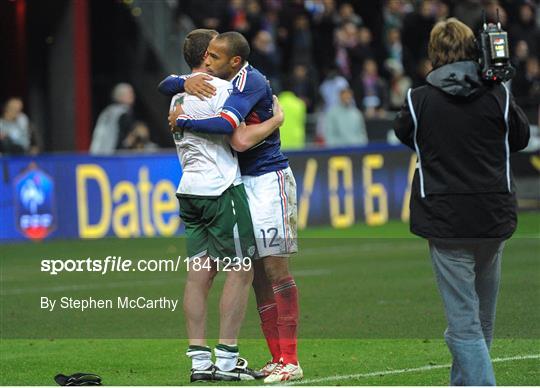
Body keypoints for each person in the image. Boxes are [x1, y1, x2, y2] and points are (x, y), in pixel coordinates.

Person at [159, 31, 303, 383]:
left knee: (273, 270)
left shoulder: (248, 82)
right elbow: (172, 83)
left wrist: (182, 117)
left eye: (216, 56)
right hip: (233, 185)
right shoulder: (212, 84)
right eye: (206, 56)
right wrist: (184, 81)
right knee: (251, 275)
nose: (209, 61)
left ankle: (290, 359)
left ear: (233, 59)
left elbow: (235, 137)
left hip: (267, 179)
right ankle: (271, 357)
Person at [394, 18, 530, 386]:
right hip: (492, 215)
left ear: (433, 52)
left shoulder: (418, 99)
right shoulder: (497, 94)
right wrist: (498, 83)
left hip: (445, 217)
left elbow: (404, 133)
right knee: (480, 319)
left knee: (464, 322)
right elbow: (519, 138)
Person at [89, 83, 135, 155]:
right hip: (113, 155)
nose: (132, 96)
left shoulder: (107, 110)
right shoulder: (123, 114)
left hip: (97, 151)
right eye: (130, 93)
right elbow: (124, 140)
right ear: (120, 96)